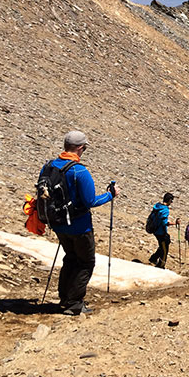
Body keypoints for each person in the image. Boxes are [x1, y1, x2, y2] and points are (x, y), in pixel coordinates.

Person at [38, 130, 118, 316]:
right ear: (81, 148)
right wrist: (110, 194)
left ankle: (65, 297)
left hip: (58, 224)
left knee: (71, 258)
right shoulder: (79, 171)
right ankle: (74, 302)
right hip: (80, 226)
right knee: (85, 262)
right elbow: (90, 201)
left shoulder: (49, 167)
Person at [148, 193, 174, 268]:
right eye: (171, 201)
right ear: (169, 200)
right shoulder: (165, 209)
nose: (171, 203)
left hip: (155, 230)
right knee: (164, 250)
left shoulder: (157, 206)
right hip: (161, 232)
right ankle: (161, 265)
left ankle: (153, 258)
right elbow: (164, 222)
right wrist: (174, 223)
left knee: (164, 244)